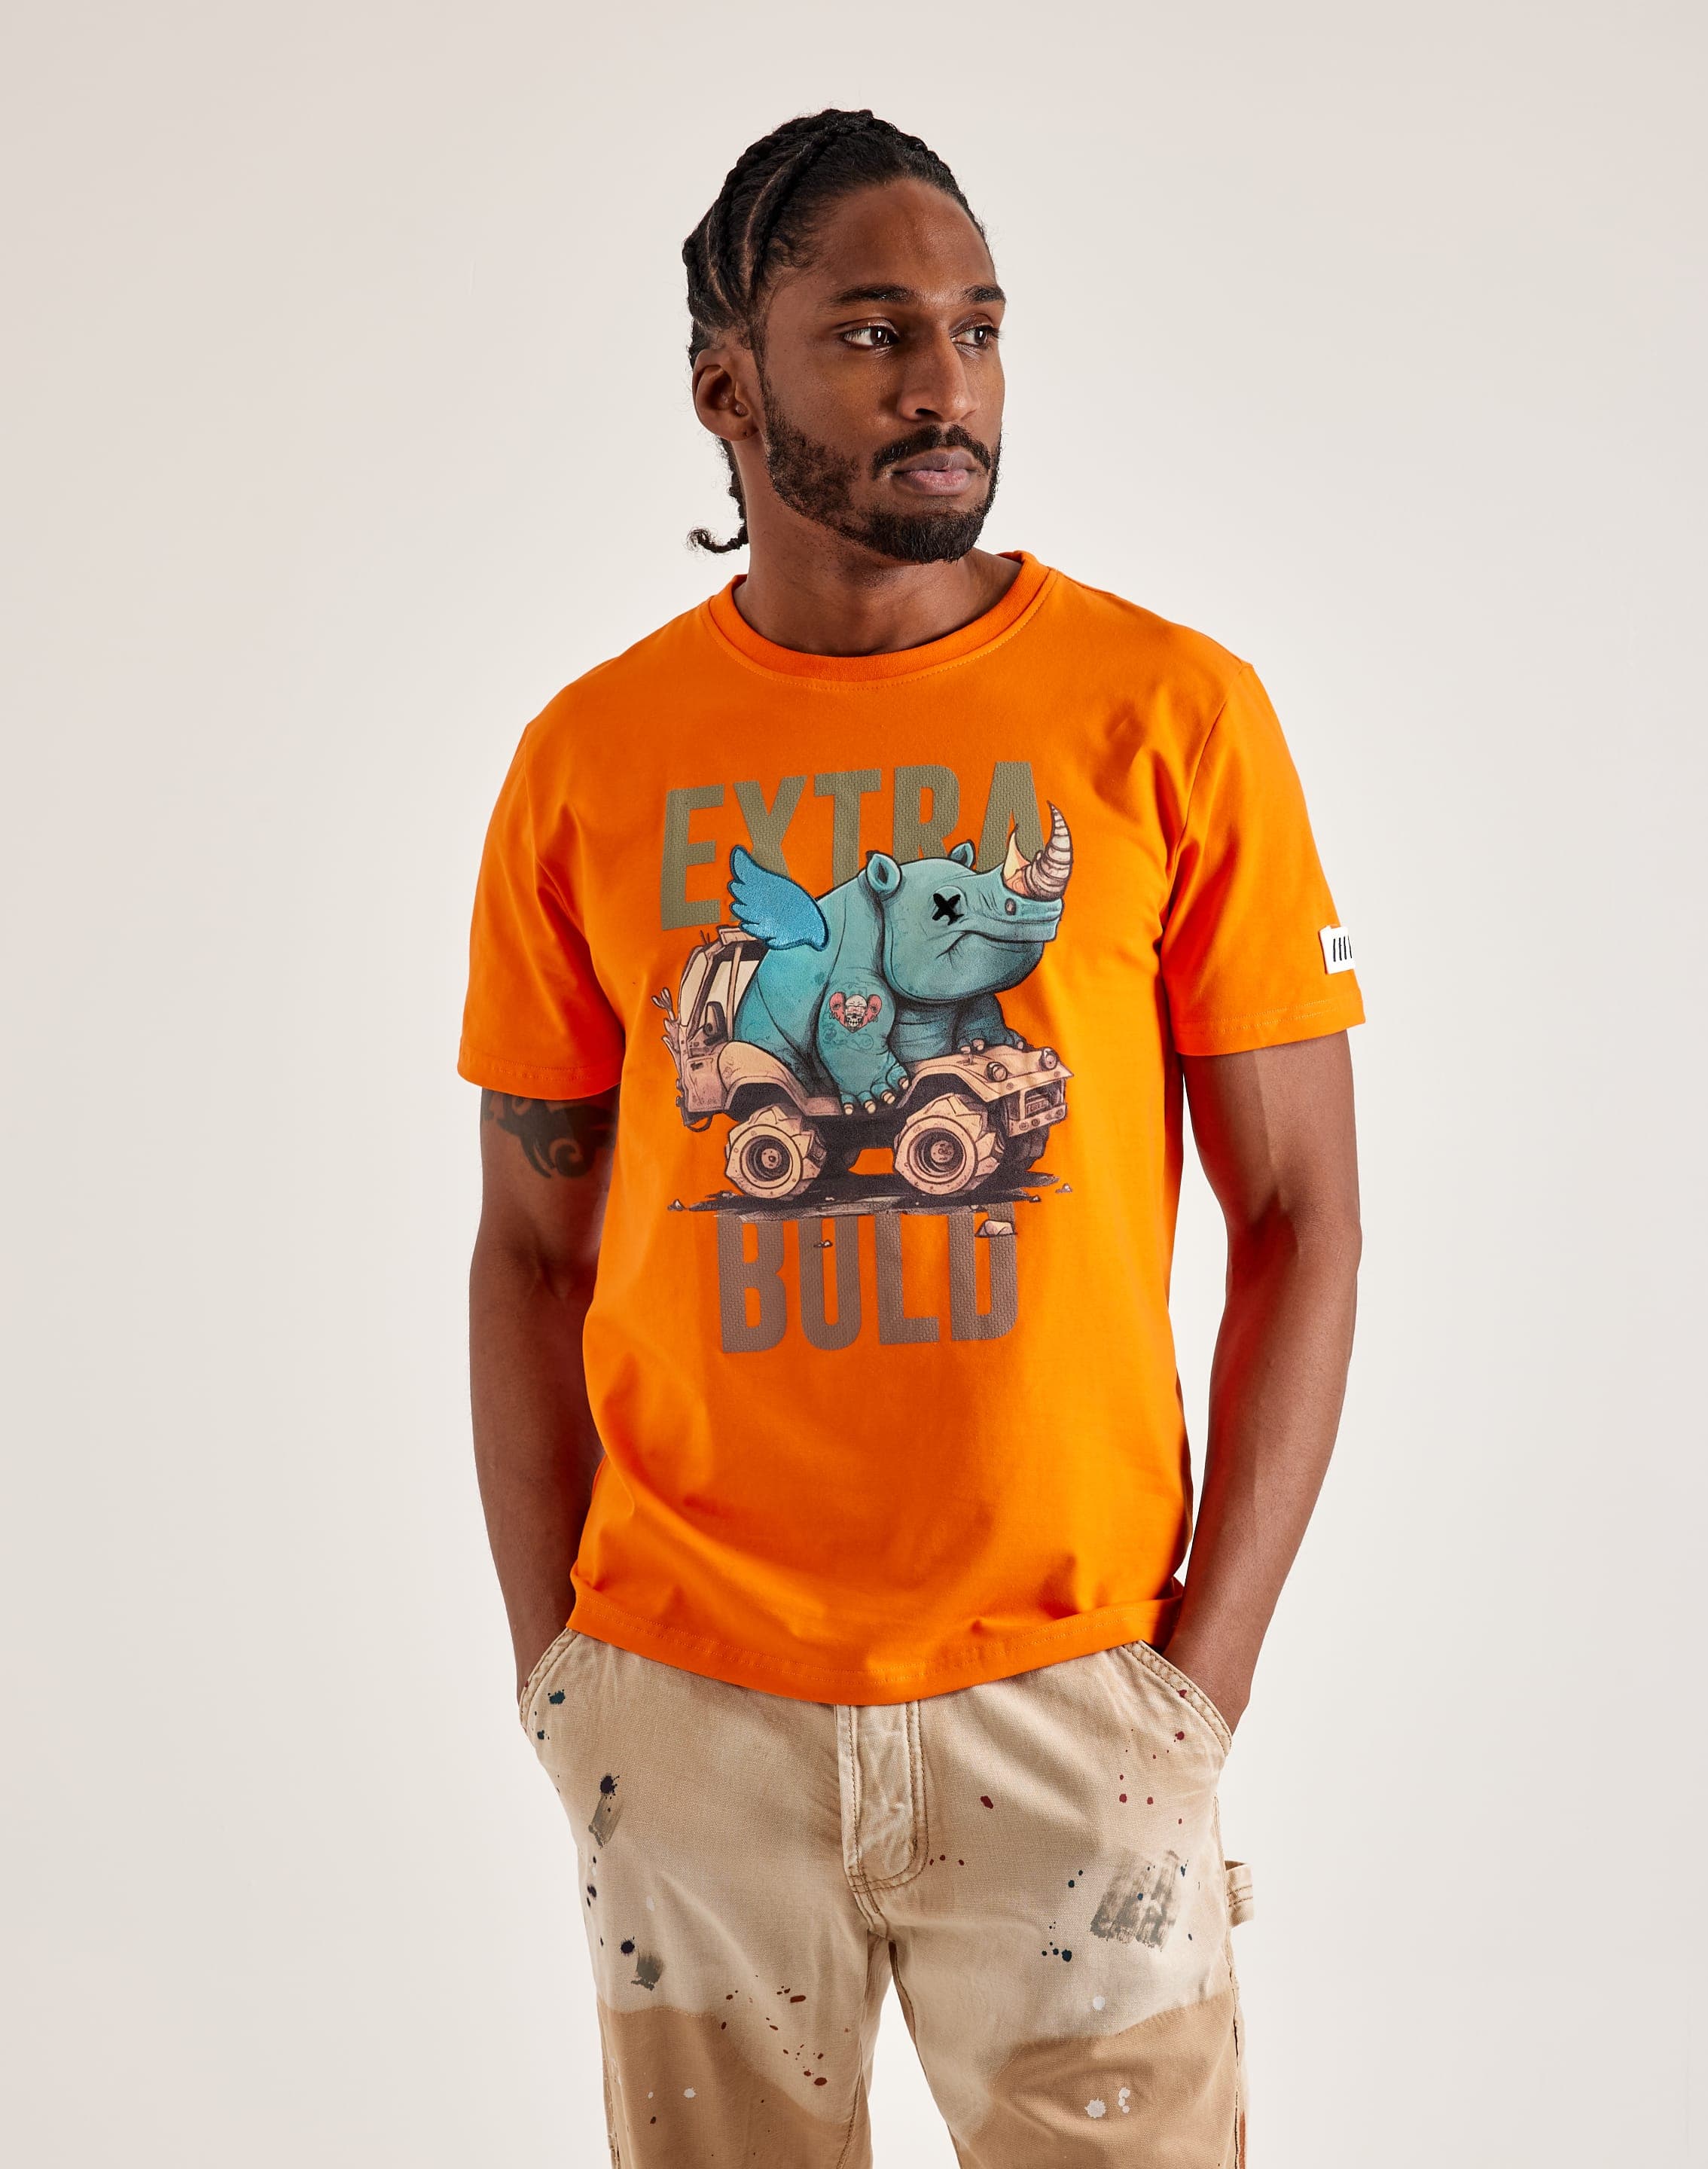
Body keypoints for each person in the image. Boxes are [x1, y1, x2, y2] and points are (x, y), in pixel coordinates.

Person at [461, 108, 1362, 2168]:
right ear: (726, 388)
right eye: (872, 332)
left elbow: (1304, 1213)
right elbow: (527, 1246)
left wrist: (1194, 1688)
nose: (943, 381)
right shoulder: (590, 761)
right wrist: (567, 1688)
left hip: (1072, 1701)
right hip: (686, 1703)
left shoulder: (1169, 714)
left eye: (976, 327)